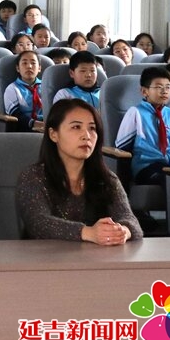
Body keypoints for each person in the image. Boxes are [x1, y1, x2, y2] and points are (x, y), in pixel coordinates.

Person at [16, 99, 142, 244]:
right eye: (76, 127)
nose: (86, 136)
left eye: (92, 128)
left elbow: (130, 221)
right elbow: (38, 223)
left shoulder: (107, 179)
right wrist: (88, 232)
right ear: (53, 134)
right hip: (43, 256)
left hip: (94, 257)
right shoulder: (33, 176)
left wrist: (122, 231)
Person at [116, 67, 170, 187]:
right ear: (144, 91)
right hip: (147, 166)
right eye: (159, 87)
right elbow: (122, 147)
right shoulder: (135, 112)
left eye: (168, 87)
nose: (164, 91)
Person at [4, 50, 44, 132]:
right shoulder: (12, 88)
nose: (29, 66)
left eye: (33, 63)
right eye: (24, 63)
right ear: (18, 68)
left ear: (39, 68)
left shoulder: (46, 86)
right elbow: (14, 113)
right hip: (24, 128)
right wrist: (35, 123)